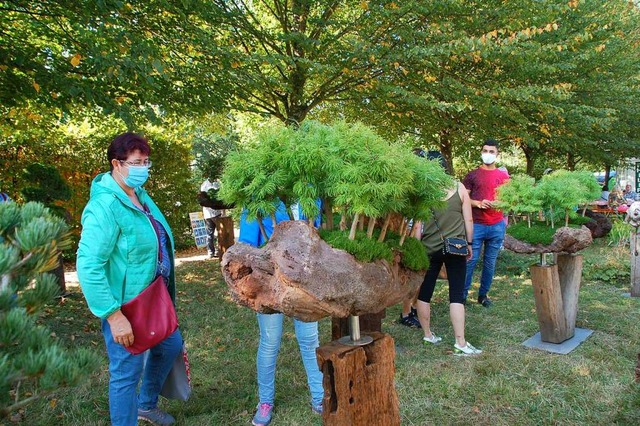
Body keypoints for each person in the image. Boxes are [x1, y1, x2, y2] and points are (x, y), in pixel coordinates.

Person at [77, 133, 182, 426]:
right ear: (116, 164)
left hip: (152, 298)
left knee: (170, 345)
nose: (143, 168)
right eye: (136, 162)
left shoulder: (140, 196)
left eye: (146, 162)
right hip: (126, 305)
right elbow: (88, 265)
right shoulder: (104, 206)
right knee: (126, 373)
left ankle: (146, 405)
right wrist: (114, 316)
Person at [239, 202, 324, 426]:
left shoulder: (309, 190)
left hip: (304, 283)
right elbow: (246, 246)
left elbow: (317, 235)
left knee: (309, 340)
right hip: (269, 284)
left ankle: (319, 396)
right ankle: (265, 402)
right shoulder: (259, 197)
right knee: (270, 341)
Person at [416, 152, 481, 355]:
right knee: (456, 295)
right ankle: (460, 342)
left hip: (429, 249)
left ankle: (427, 334)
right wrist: (469, 243)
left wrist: (415, 250)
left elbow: (418, 227)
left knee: (424, 292)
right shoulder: (458, 188)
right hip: (456, 248)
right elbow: (468, 220)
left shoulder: (424, 193)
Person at [462, 139, 509, 307]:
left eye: (491, 151)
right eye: (485, 150)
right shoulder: (472, 175)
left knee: (490, 263)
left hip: (496, 225)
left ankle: (483, 295)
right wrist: (478, 203)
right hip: (476, 225)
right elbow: (463, 198)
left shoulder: (504, 177)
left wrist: (499, 203)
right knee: (470, 261)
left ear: (497, 154)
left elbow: (510, 200)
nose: (487, 154)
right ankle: (462, 296)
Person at [200, 177, 224, 258]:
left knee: (219, 233)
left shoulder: (218, 183)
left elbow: (223, 197)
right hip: (208, 214)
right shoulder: (204, 185)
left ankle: (218, 251)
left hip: (217, 213)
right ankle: (211, 251)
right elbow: (202, 199)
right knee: (210, 234)